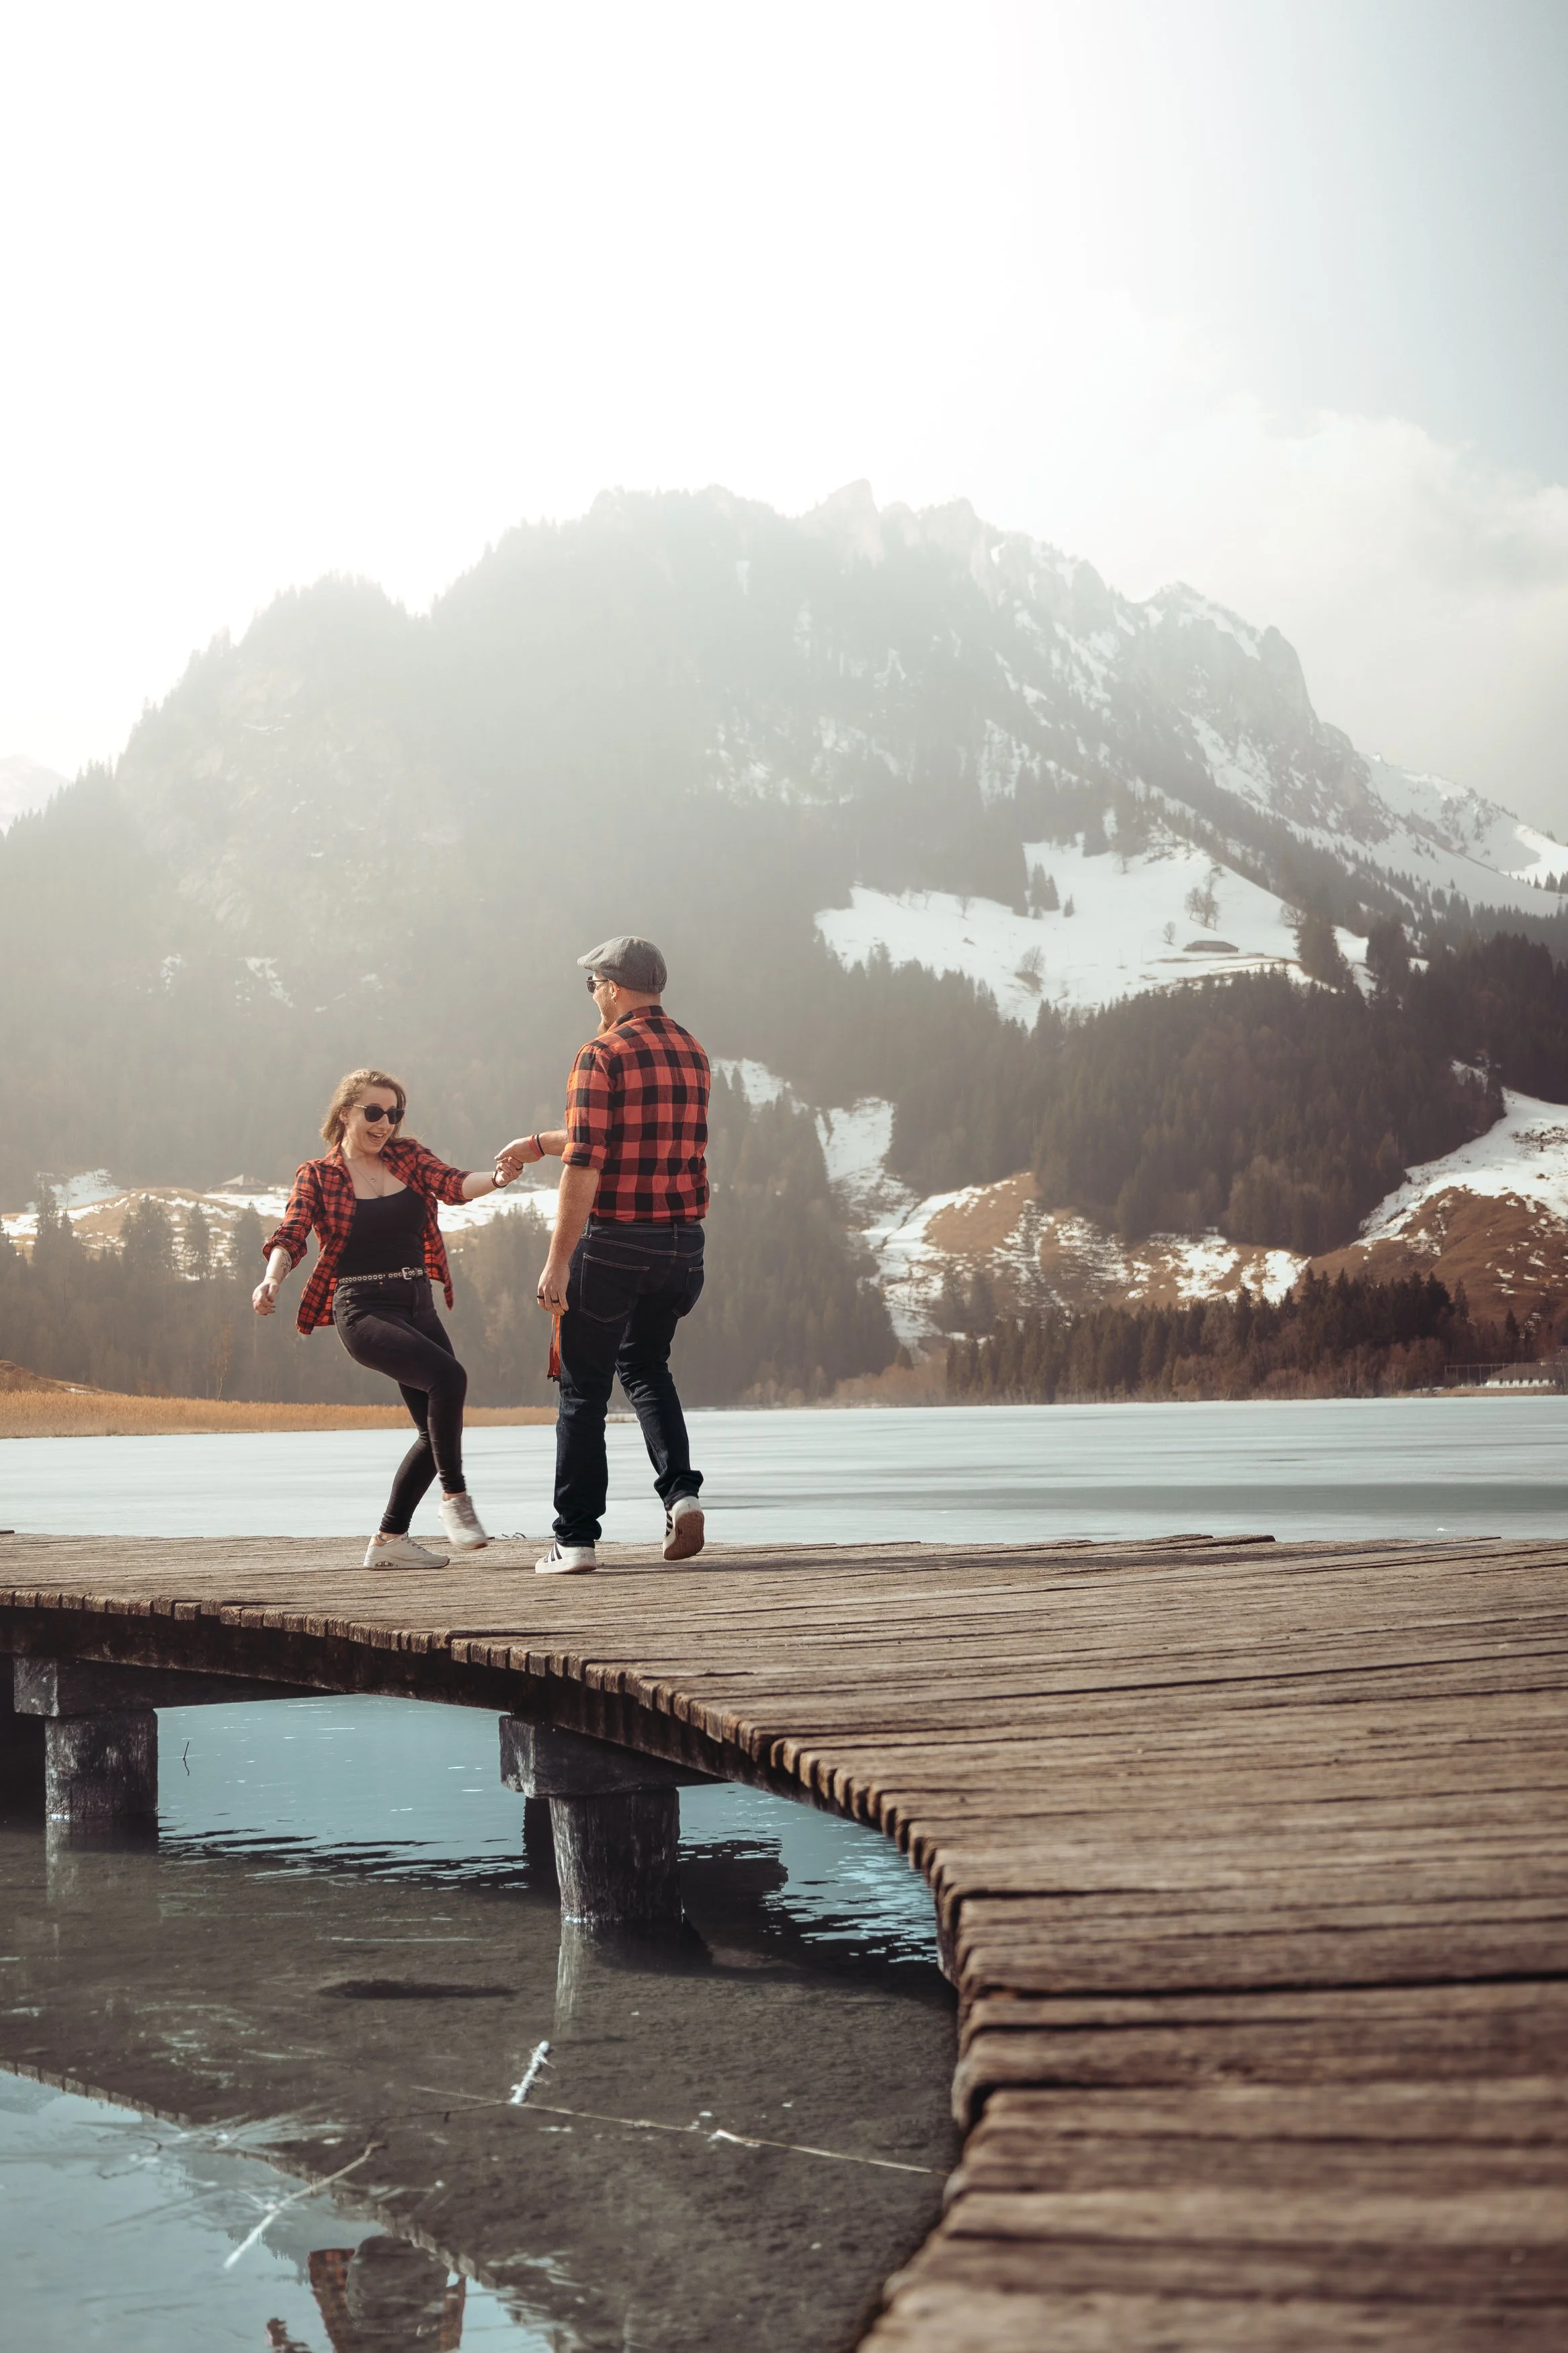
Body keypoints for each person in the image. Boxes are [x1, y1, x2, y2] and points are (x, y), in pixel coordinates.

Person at [497, 936, 708, 1574]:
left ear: (612, 987)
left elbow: (588, 1159)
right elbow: (629, 1133)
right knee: (646, 1366)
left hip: (615, 1242)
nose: (591, 994)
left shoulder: (601, 1053)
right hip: (682, 1245)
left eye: (591, 984)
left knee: (583, 1392)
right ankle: (681, 1495)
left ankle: (575, 1539)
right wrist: (540, 1142)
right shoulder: (691, 1050)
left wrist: (557, 1261)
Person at [254, 1068, 515, 1569]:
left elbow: (454, 1184)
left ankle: (389, 1540)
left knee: (434, 1429)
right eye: (373, 1112)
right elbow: (292, 1232)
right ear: (344, 1113)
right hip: (362, 1307)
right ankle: (455, 1499)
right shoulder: (319, 1175)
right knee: (448, 1378)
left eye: (393, 1114)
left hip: (418, 1301)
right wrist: (272, 1279)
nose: (384, 1124)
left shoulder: (408, 1157)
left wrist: (499, 1178)